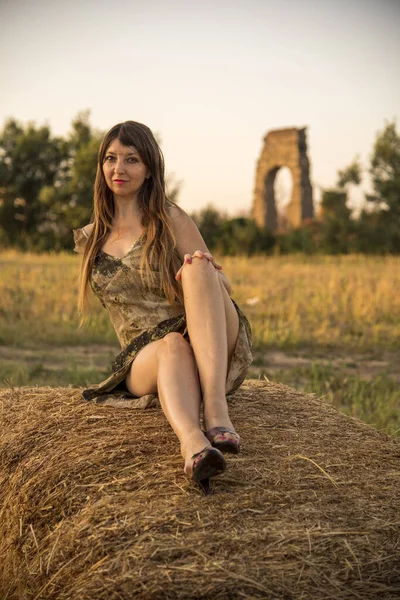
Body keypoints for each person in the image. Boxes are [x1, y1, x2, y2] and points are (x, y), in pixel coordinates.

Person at [72, 121, 253, 493]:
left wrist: (201, 271)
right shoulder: (90, 238)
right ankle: (194, 446)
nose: (118, 169)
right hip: (146, 357)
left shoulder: (170, 219)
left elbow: (224, 285)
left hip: (207, 339)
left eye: (131, 159)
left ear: (150, 168)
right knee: (171, 344)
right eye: (111, 159)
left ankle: (216, 408)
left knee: (198, 265)